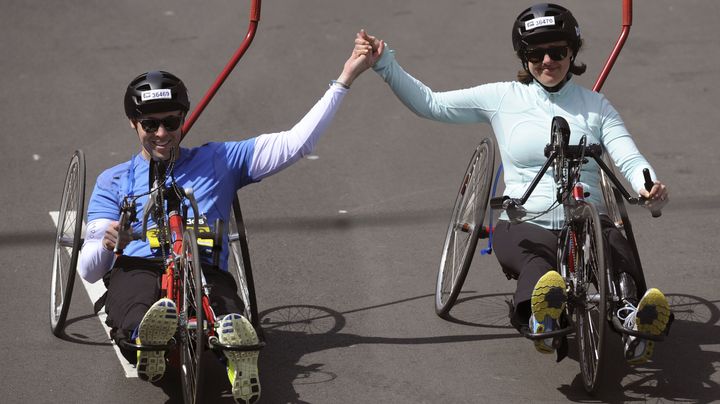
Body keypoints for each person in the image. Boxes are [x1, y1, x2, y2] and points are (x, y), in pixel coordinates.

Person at [353, 3, 671, 363]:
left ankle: (632, 316)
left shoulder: (596, 107)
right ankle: (541, 314)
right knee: (538, 267)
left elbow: (628, 157)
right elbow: (431, 104)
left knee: (614, 245)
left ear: (572, 53)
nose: (547, 60)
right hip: (525, 221)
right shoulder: (503, 98)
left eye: (558, 51)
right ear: (524, 57)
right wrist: (385, 64)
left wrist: (648, 186)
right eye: (536, 53)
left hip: (587, 220)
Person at [77, 40, 372, 404]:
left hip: (202, 263)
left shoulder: (218, 159)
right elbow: (90, 272)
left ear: (183, 119)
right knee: (133, 302)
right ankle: (145, 340)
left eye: (171, 122)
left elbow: (296, 143)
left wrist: (344, 79)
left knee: (220, 306)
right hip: (139, 263)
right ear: (133, 123)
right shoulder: (114, 180)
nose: (162, 133)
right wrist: (109, 243)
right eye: (150, 124)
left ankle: (237, 353)